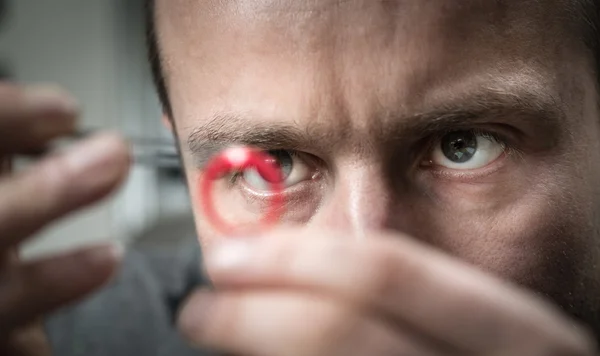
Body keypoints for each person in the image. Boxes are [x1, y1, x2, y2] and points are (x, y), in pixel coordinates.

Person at [2, 0, 600, 355]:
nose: (367, 265)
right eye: (277, 164)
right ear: (182, 152)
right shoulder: (72, 335)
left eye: (463, 145)